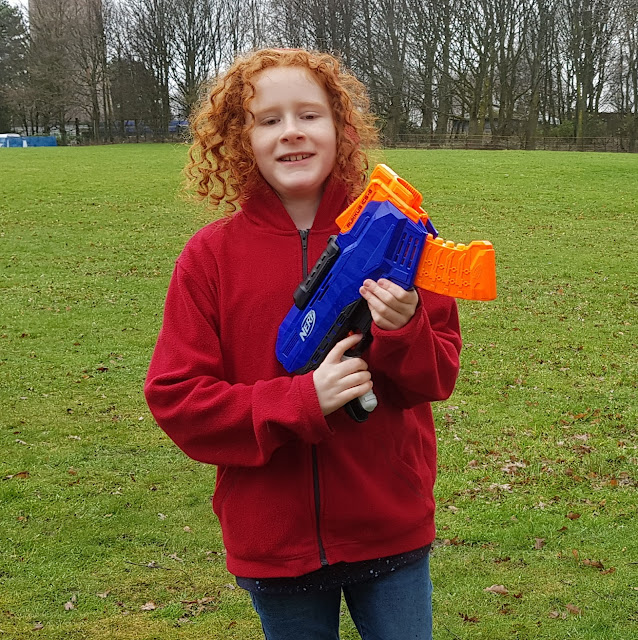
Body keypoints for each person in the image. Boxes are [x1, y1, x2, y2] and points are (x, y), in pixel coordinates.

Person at [144, 47, 462, 640]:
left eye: (309, 115)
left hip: (387, 523)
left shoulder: (400, 236)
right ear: (241, 138)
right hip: (274, 539)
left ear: (342, 128)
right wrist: (300, 401)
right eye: (268, 120)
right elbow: (177, 399)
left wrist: (403, 328)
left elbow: (436, 377)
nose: (291, 133)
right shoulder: (210, 258)